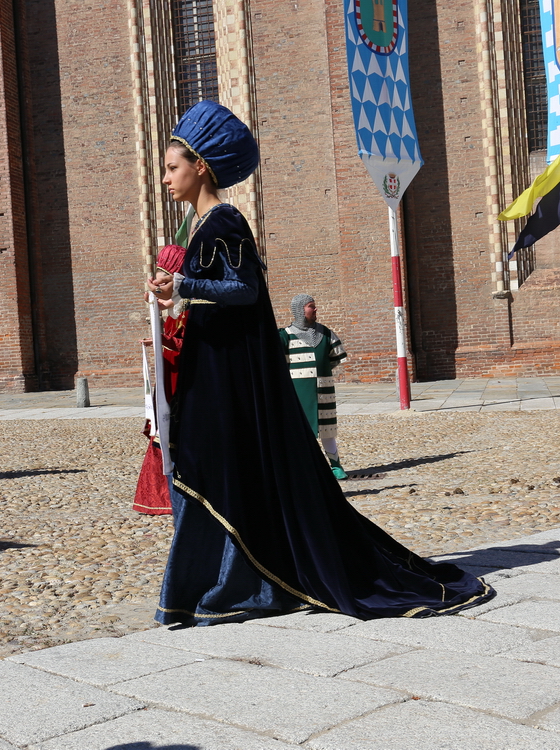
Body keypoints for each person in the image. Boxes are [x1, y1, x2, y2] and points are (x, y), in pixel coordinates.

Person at [146, 100, 492, 626]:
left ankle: (235, 586)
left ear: (202, 167)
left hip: (228, 382)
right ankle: (222, 585)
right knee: (211, 471)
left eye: (173, 168)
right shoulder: (199, 227)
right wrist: (177, 295)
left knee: (215, 470)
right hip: (211, 373)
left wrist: (185, 286)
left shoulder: (224, 221)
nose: (166, 178)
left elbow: (245, 290)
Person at [133, 244, 189, 515]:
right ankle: (160, 496)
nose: (157, 285)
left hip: (184, 383)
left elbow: (189, 344)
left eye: (164, 279)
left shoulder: (190, 309)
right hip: (167, 380)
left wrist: (164, 339)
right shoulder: (174, 309)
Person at [279, 294, 348, 479]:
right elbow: (280, 366)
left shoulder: (325, 333)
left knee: (327, 429)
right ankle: (302, 469)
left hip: (324, 390)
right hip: (299, 392)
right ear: (300, 310)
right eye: (311, 306)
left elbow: (333, 359)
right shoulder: (285, 336)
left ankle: (335, 465)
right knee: (300, 431)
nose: (315, 309)